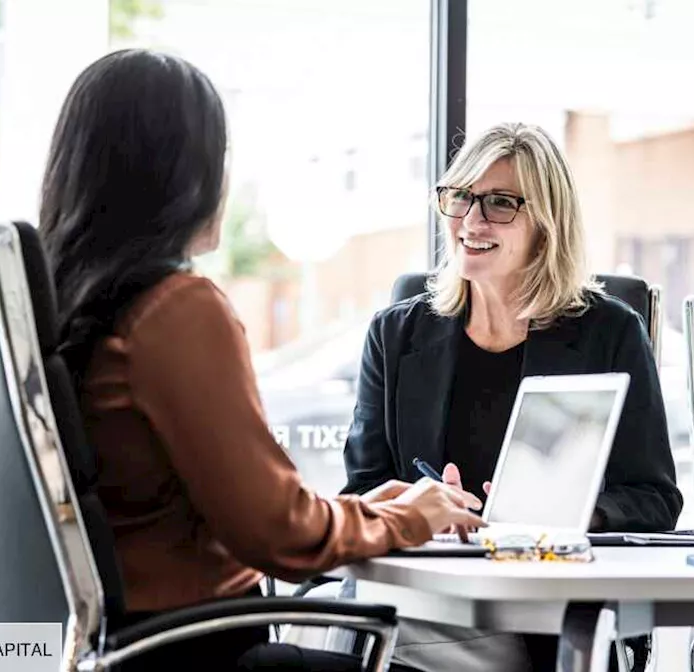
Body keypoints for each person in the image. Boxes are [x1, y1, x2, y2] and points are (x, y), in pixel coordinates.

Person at [38, 48, 484, 671]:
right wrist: (407, 522)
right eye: (218, 161)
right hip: (203, 651)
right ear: (179, 175)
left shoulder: (68, 307)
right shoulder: (176, 310)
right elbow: (279, 533)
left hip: (123, 647)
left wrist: (374, 510)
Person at [339, 122, 683, 670]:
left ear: (547, 222)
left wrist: (560, 518)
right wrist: (419, 510)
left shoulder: (608, 332)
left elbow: (654, 500)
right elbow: (361, 488)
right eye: (460, 198)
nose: (471, 221)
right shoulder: (396, 334)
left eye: (500, 203)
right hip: (430, 602)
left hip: (549, 612)